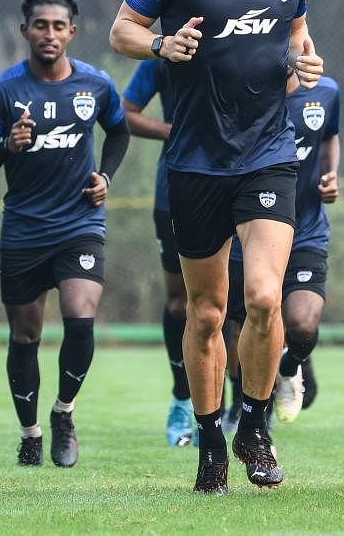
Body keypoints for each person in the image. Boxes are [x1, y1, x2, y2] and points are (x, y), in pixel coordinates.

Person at [109, 0, 322, 494]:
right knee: (205, 313)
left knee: (263, 297)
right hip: (196, 162)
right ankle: (209, 441)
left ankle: (253, 426)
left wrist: (304, 66)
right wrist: (161, 44)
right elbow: (121, 31)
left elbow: (296, 44)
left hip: (266, 155)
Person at [0, 0, 129, 467]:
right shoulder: (3, 90)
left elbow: (118, 130)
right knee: (25, 337)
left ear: (72, 32)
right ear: (25, 31)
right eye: (41, 25)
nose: (50, 34)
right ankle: (30, 432)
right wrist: (7, 147)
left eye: (59, 26)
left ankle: (63, 412)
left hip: (80, 223)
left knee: (81, 318)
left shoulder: (96, 85)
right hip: (23, 230)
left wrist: (105, 176)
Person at [225, 69, 339, 425]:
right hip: (250, 232)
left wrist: (329, 173)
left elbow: (329, 137)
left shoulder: (326, 92)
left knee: (302, 324)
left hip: (305, 230)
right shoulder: (244, 89)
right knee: (244, 322)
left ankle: (290, 366)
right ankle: (246, 411)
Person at [122, 59, 196, 447]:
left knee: (238, 303)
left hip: (238, 184)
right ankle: (183, 400)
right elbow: (127, 112)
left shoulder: (244, 39)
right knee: (180, 304)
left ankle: (240, 409)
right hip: (175, 189)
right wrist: (175, 130)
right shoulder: (165, 53)